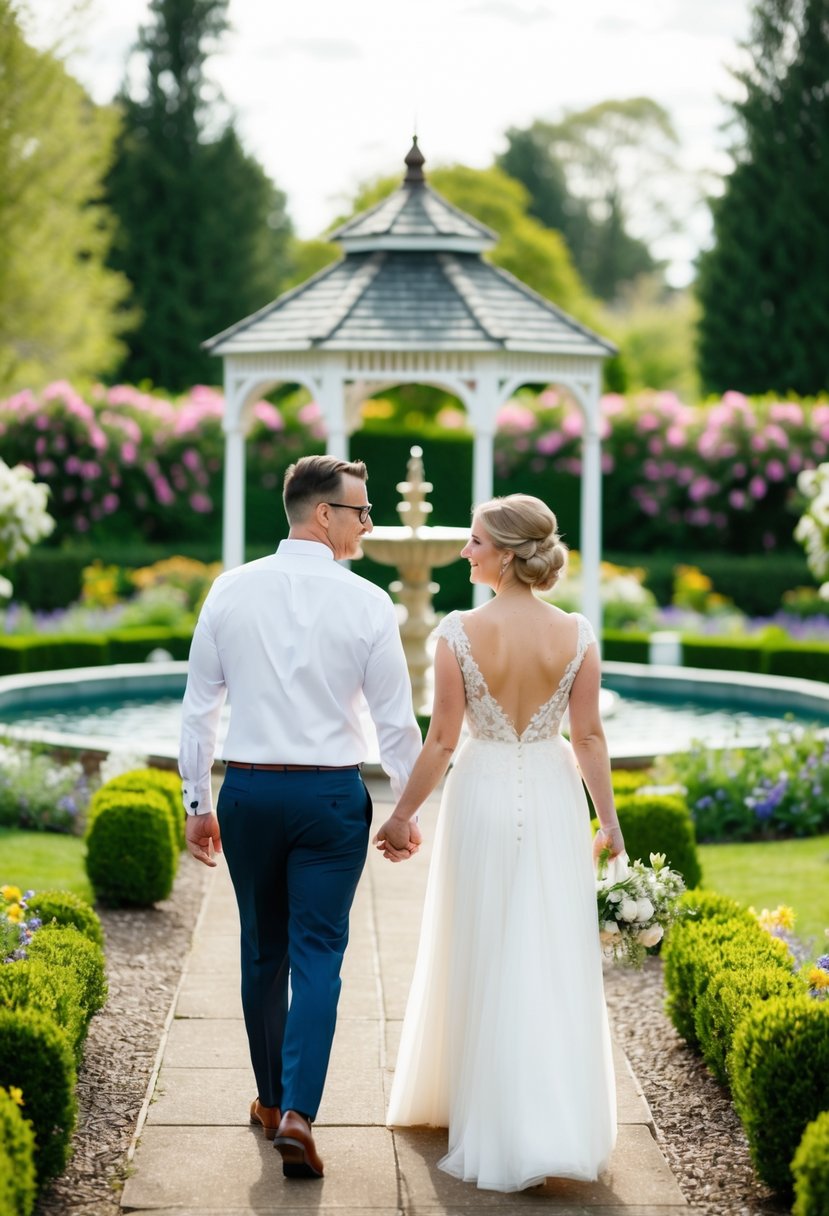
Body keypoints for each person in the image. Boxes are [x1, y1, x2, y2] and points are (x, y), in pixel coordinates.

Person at [373, 493, 625, 1194]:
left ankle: (487, 1110)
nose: (463, 551)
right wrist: (607, 823)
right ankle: (548, 1119)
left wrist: (401, 816)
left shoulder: (456, 632)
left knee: (480, 941)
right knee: (545, 945)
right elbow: (588, 739)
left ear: (507, 555)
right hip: (549, 795)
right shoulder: (575, 632)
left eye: (476, 541)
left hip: (481, 793)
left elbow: (444, 740)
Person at [179, 454, 422, 1179]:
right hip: (328, 799)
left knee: (262, 951)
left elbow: (199, 709)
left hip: (249, 793)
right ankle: (297, 1113)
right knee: (318, 956)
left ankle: (268, 1097)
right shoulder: (369, 604)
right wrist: (405, 810)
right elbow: (395, 726)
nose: (369, 523)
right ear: (324, 515)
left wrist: (198, 801)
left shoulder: (229, 590)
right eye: (361, 511)